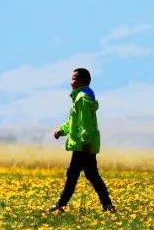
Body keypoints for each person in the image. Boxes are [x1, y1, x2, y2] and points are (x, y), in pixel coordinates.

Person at [49, 68, 115, 214]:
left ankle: (60, 205)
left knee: (73, 175)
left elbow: (85, 123)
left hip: (83, 146)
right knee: (91, 175)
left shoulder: (82, 98)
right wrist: (62, 130)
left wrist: (85, 142)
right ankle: (107, 205)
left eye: (74, 79)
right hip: (83, 145)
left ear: (82, 81)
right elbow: (74, 121)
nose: (71, 82)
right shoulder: (80, 97)